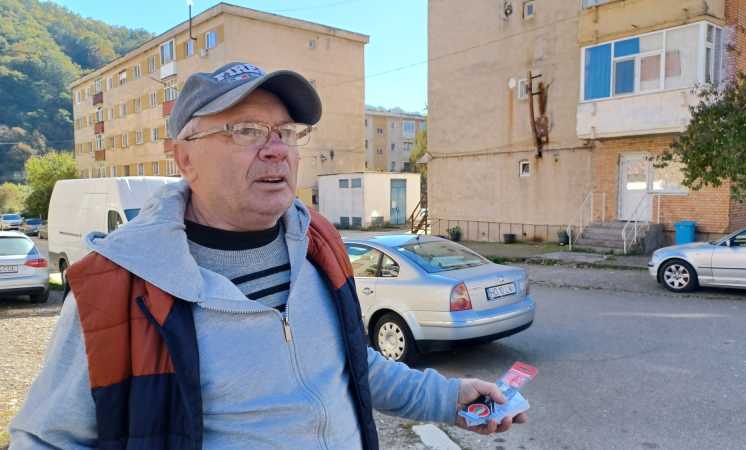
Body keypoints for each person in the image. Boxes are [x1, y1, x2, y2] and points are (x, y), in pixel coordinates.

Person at [9, 62, 526, 449]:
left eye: (286, 133)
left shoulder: (320, 244)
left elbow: (352, 364)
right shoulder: (116, 287)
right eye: (247, 130)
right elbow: (46, 438)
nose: (277, 149)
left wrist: (448, 398)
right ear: (184, 158)